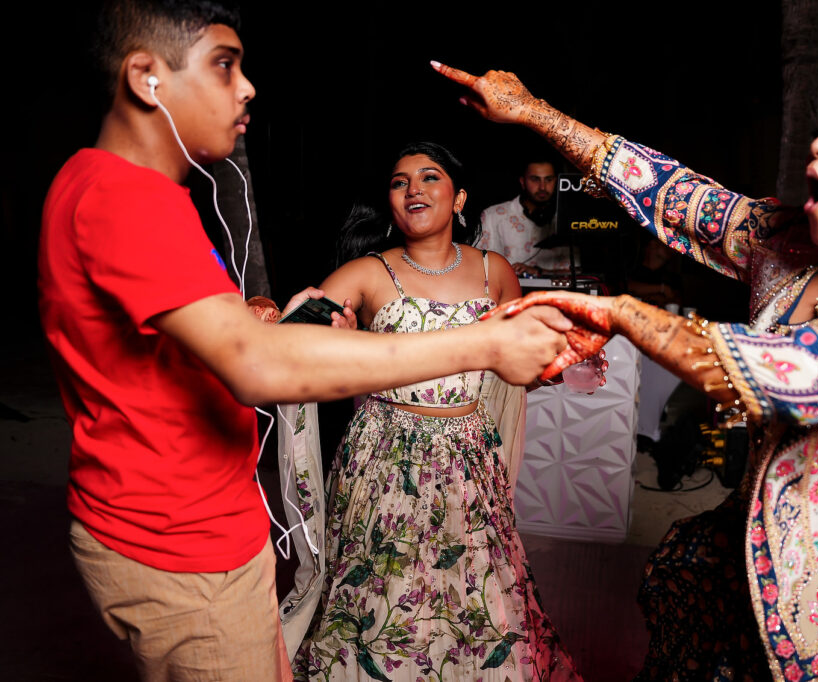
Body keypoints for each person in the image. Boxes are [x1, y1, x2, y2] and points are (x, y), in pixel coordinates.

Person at [433, 48, 818, 681]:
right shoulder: (787, 244)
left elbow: (803, 372)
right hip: (731, 577)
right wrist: (533, 112)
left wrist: (625, 316)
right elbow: (671, 192)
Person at [36, 3, 571, 680]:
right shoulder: (126, 198)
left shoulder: (136, 194)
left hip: (207, 526)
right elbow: (254, 366)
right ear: (147, 77)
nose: (247, 87)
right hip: (180, 544)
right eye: (225, 65)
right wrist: (484, 347)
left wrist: (267, 323)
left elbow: (212, 345)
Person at [292, 142, 580, 681]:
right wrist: (321, 334)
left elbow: (520, 371)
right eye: (399, 182)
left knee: (475, 596)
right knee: (384, 592)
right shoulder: (368, 272)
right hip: (383, 460)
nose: (413, 190)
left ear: (460, 199)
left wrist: (563, 360)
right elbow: (291, 339)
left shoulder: (495, 272)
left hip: (469, 463)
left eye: (429, 177)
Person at [478, 156, 572, 276]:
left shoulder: (567, 219)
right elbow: (480, 267)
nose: (542, 187)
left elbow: (578, 272)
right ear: (523, 182)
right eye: (535, 179)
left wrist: (539, 272)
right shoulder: (493, 216)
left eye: (548, 179)